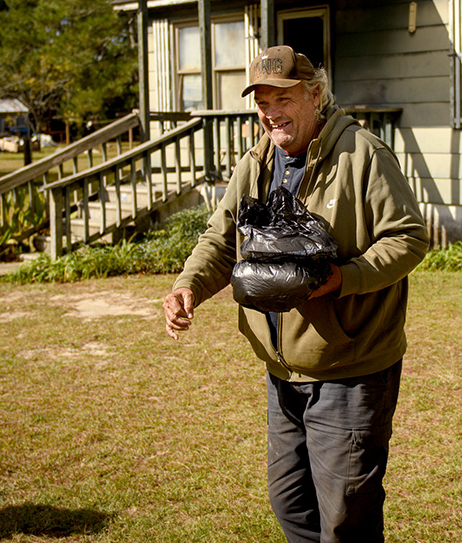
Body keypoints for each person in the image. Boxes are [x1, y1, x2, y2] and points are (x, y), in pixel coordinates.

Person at [163, 45, 429, 543]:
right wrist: (188, 287)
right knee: (290, 502)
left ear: (314, 94)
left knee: (346, 516)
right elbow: (221, 239)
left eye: (281, 99)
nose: (270, 113)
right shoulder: (258, 162)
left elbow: (410, 237)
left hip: (351, 367)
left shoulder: (362, 154)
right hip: (282, 369)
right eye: (262, 103)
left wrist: (344, 278)